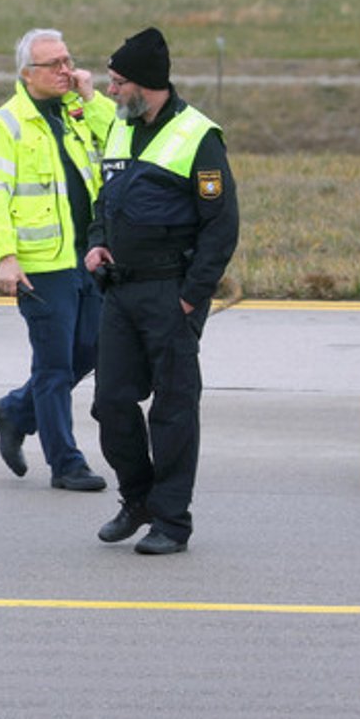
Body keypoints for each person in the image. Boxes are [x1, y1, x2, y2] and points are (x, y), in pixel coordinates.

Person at [85, 28, 239, 556]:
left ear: (145, 85)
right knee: (110, 403)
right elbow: (103, 200)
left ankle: (171, 520)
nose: (109, 91)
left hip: (170, 292)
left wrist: (191, 297)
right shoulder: (122, 129)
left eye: (117, 81)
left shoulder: (200, 137)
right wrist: (96, 243)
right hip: (120, 292)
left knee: (173, 410)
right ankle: (138, 499)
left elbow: (221, 227)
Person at [0, 28, 114, 492]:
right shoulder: (6, 123)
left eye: (67, 61)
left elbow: (122, 140)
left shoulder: (77, 113)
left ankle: (14, 411)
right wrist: (6, 256)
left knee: (90, 350)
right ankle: (66, 463)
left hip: (86, 258)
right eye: (52, 65)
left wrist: (91, 98)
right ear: (26, 74)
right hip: (40, 264)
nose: (64, 71)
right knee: (53, 366)